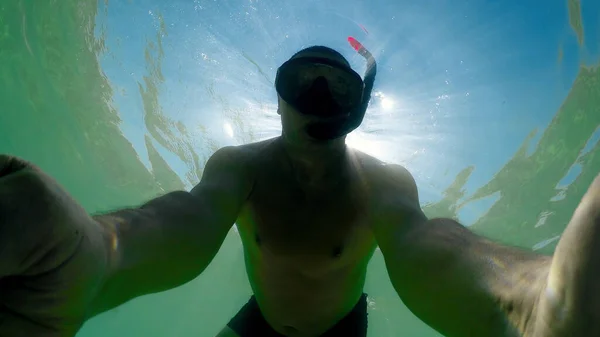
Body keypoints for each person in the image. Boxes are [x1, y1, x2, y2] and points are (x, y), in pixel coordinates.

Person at [0, 42, 599, 337]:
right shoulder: (240, 167)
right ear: (278, 100)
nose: (316, 98)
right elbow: (183, 218)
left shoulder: (383, 184)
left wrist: (530, 302)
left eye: (335, 87)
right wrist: (98, 254)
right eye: (301, 82)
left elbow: (433, 246)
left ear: (356, 108)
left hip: (344, 332)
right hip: (258, 322)